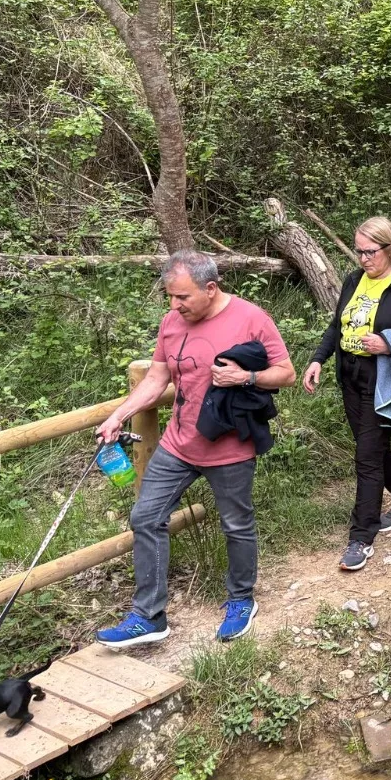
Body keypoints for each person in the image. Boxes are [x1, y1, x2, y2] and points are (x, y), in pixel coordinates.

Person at [95, 251, 296, 648]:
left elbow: (285, 373)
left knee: (236, 525)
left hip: (230, 446)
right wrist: (119, 415)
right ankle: (149, 616)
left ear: (210, 288)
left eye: (182, 297)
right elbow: (156, 378)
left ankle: (241, 600)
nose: (174, 306)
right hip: (178, 443)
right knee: (145, 516)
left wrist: (247, 375)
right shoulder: (172, 322)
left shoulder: (251, 318)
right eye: (170, 297)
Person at [304, 217, 391, 571]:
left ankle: (361, 537)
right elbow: (337, 325)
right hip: (350, 375)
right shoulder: (353, 281)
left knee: (366, 458)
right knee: (372, 447)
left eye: (369, 252)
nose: (363, 258)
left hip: (383, 380)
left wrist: (389, 343)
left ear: (389, 249)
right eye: (358, 251)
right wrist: (318, 360)